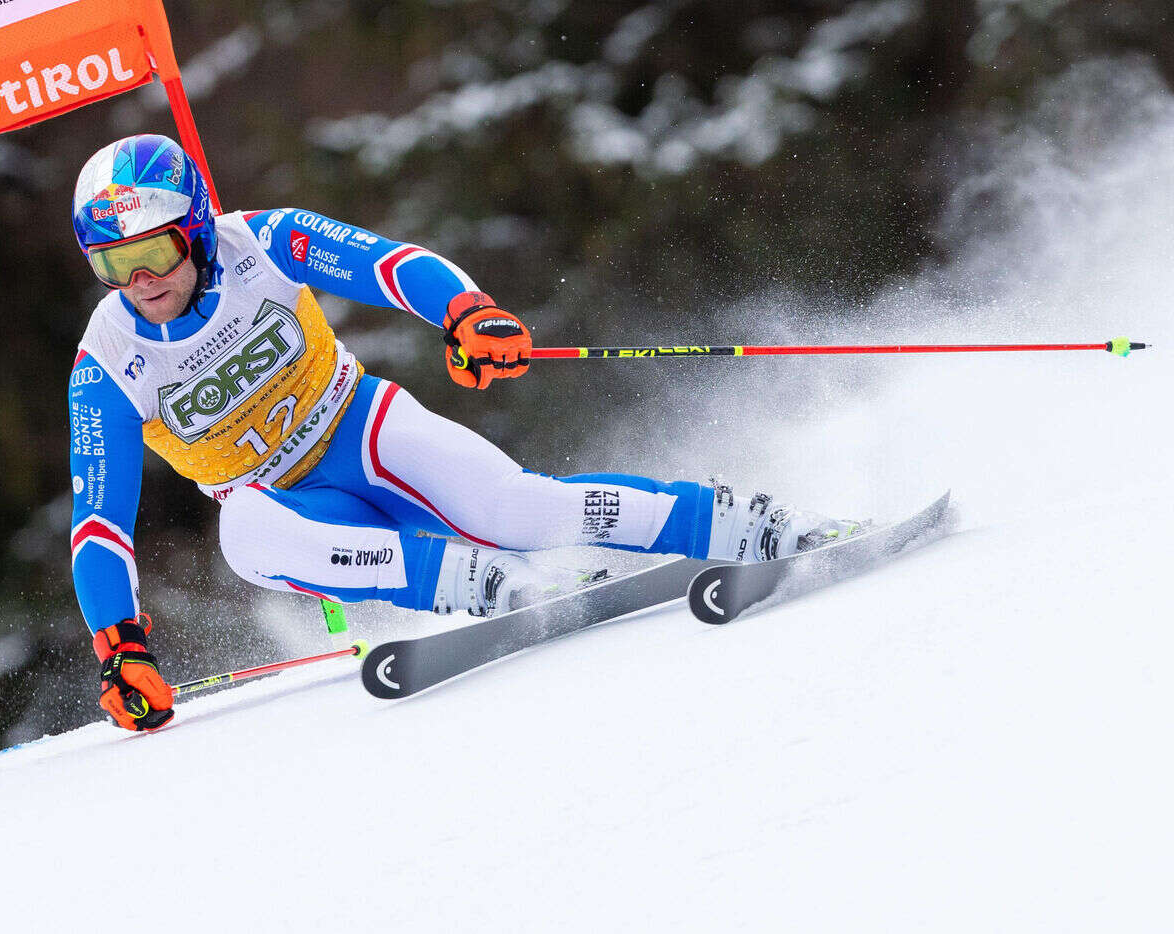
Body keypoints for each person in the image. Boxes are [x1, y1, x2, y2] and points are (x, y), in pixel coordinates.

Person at [69, 134, 862, 731]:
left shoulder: (263, 243)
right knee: (242, 533)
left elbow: (386, 262)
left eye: (154, 251)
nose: (142, 282)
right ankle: (484, 585)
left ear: (199, 227)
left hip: (365, 433)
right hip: (293, 508)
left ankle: (742, 522)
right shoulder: (107, 359)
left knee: (519, 511)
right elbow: (99, 525)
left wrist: (465, 312)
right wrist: (121, 647)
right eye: (114, 265)